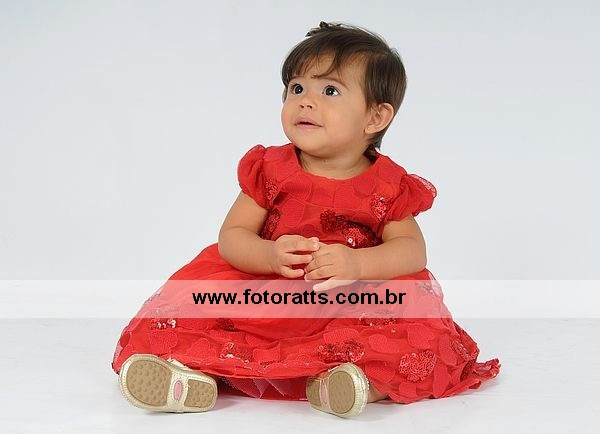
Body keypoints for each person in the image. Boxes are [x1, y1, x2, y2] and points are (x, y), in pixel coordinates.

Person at [112, 21, 500, 418]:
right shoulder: (271, 168)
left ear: (375, 117)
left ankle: (358, 383)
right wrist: (268, 254)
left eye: (329, 91)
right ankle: (190, 377)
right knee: (192, 314)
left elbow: (412, 250)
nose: (305, 101)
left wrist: (358, 263)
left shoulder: (387, 185)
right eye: (296, 88)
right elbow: (232, 236)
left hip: (347, 300)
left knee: (412, 328)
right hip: (267, 294)